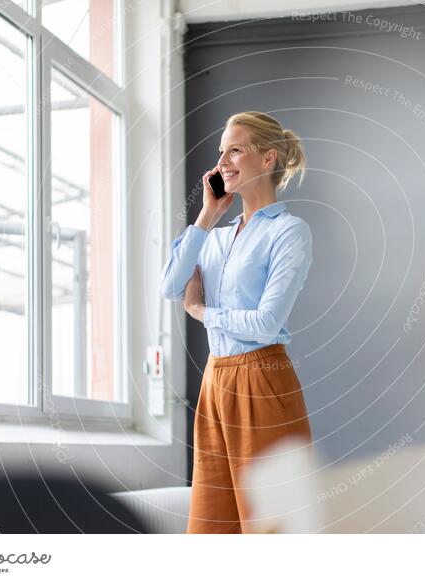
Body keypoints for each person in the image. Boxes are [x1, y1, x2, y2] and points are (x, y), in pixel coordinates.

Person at [160, 111, 313, 534]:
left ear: (267, 159)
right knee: (212, 524)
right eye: (220, 152)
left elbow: (265, 323)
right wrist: (207, 216)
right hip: (216, 380)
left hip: (264, 377)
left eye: (235, 150)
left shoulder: (288, 232)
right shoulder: (216, 237)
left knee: (270, 530)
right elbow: (171, 285)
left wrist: (202, 313)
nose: (222, 162)